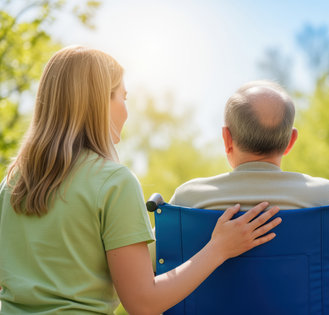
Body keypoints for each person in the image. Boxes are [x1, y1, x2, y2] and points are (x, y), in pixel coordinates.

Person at [0, 47, 282, 315]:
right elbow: (144, 304)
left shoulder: (13, 181)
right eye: (123, 97)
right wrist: (219, 248)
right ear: (100, 103)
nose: (126, 110)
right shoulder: (113, 182)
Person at [170, 80, 329, 286]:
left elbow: (149, 270)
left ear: (226, 138)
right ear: (290, 141)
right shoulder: (327, 199)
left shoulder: (188, 199)